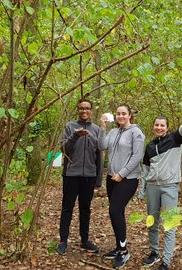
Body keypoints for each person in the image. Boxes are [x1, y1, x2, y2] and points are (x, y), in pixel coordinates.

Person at [138, 100, 182, 270]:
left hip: (170, 186)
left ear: (167, 127)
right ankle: (153, 252)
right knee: (152, 221)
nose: (159, 127)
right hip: (152, 186)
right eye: (156, 125)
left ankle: (166, 260)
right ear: (154, 127)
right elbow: (144, 170)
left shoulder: (175, 139)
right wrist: (141, 191)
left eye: (162, 125)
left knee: (170, 223)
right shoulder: (150, 146)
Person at [98, 104, 145, 269]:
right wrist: (103, 127)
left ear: (130, 115)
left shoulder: (136, 132)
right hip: (111, 178)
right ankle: (119, 247)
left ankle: (124, 251)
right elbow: (101, 146)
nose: (121, 116)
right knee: (116, 213)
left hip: (128, 179)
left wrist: (122, 173)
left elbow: (137, 156)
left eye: (124, 113)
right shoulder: (113, 132)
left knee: (115, 210)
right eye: (118, 114)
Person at [56, 98, 103, 255]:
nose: (84, 111)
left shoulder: (96, 129)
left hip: (89, 176)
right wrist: (75, 136)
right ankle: (63, 240)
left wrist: (98, 179)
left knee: (85, 209)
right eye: (82, 108)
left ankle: (85, 240)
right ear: (78, 109)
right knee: (67, 208)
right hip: (71, 174)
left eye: (87, 108)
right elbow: (63, 148)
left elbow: (99, 155)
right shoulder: (69, 127)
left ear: (91, 110)